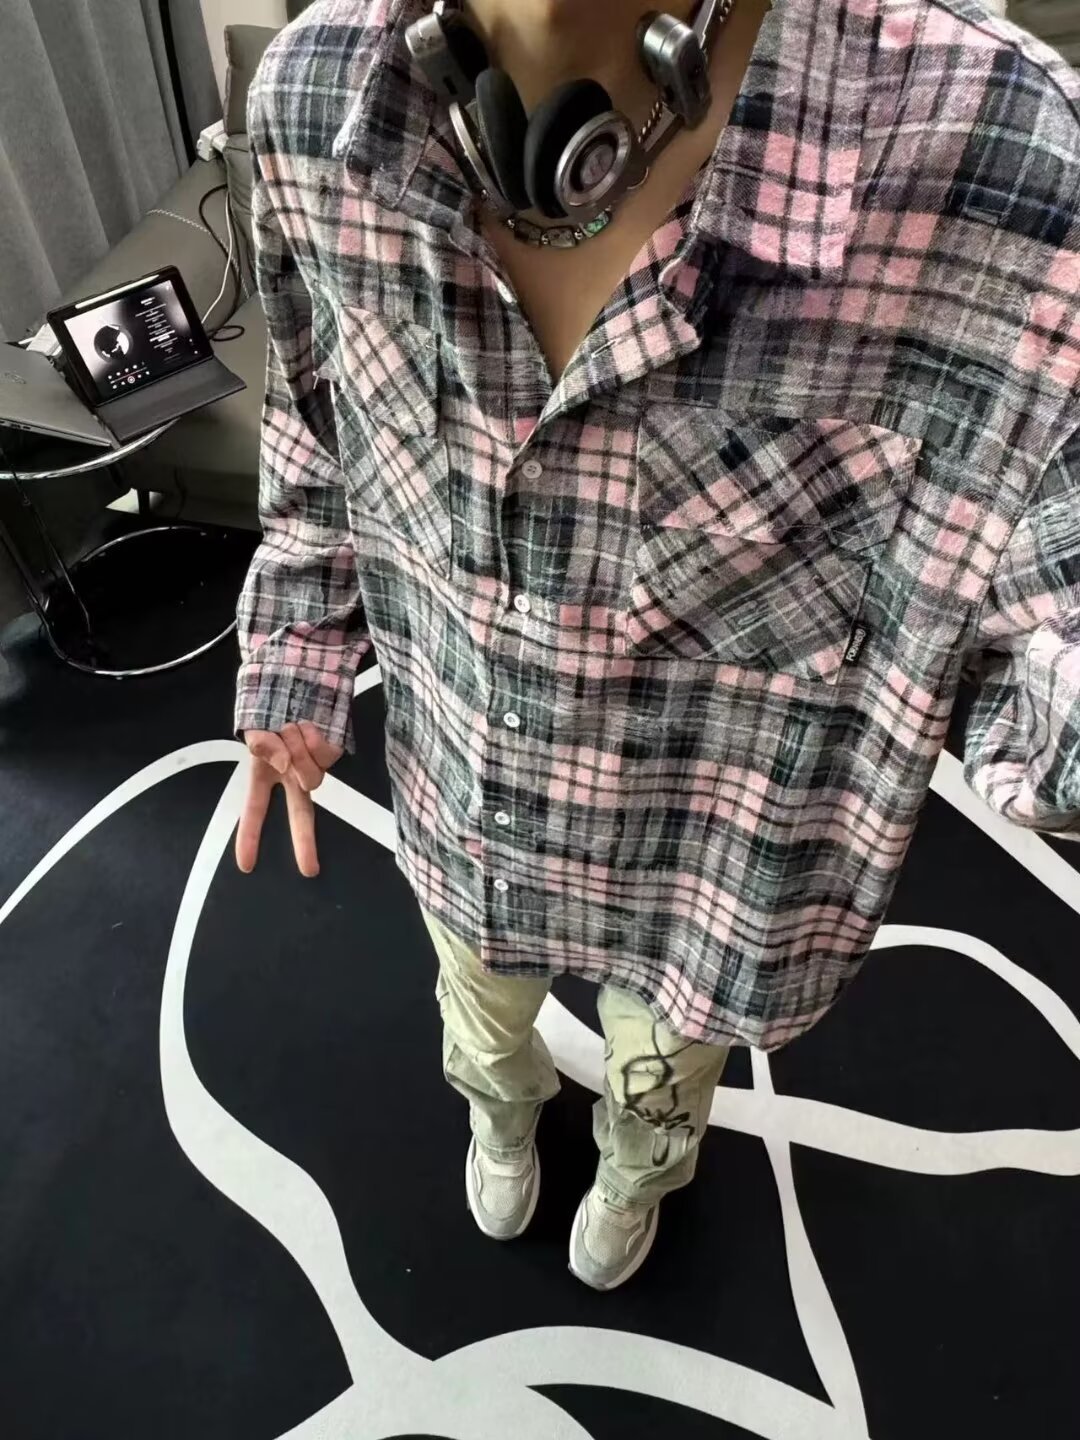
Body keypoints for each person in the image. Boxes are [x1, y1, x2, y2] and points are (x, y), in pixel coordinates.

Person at [233, 0, 1080, 1291]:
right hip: (465, 797)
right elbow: (311, 419)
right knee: (480, 1023)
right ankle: (503, 1112)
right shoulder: (308, 110)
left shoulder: (1004, 165)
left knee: (660, 1084)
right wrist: (297, 642)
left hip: (704, 878)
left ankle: (637, 1173)